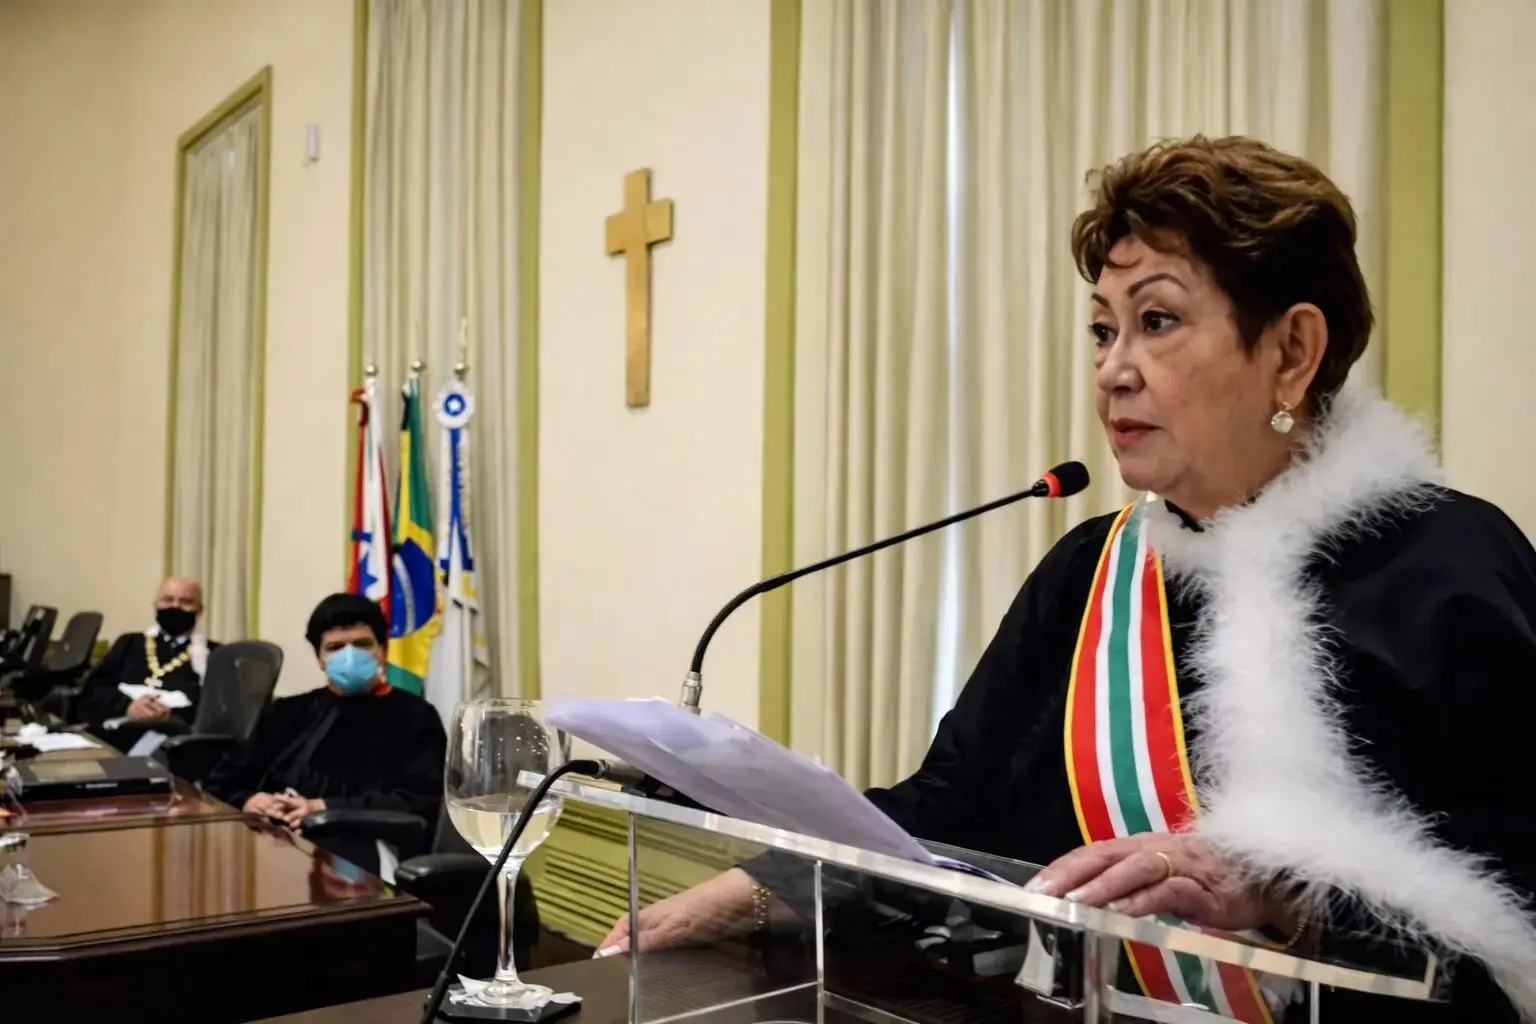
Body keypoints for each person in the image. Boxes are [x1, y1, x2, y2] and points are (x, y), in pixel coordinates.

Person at [596, 137, 1536, 1022]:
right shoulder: (1090, 573)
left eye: (1156, 323)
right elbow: (949, 810)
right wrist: (755, 891)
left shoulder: (1450, 568)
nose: (1113, 371)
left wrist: (1290, 896)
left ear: (1291, 351)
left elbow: (1514, 915)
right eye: (1102, 330)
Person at [203, 592, 446, 873]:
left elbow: (420, 802)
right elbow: (222, 780)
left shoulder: (415, 716)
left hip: (361, 844)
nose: (349, 655)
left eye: (362, 644)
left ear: (382, 650)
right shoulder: (287, 711)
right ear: (320, 658)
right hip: (272, 839)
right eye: (335, 647)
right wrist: (250, 800)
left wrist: (321, 806)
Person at [79, 576, 214, 747]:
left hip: (173, 742)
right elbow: (94, 689)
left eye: (186, 602)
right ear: (156, 605)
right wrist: (127, 706)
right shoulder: (129, 643)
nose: (175, 606)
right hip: (115, 732)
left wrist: (171, 715)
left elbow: (214, 707)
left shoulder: (215, 654)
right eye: (168, 600)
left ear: (199, 610)